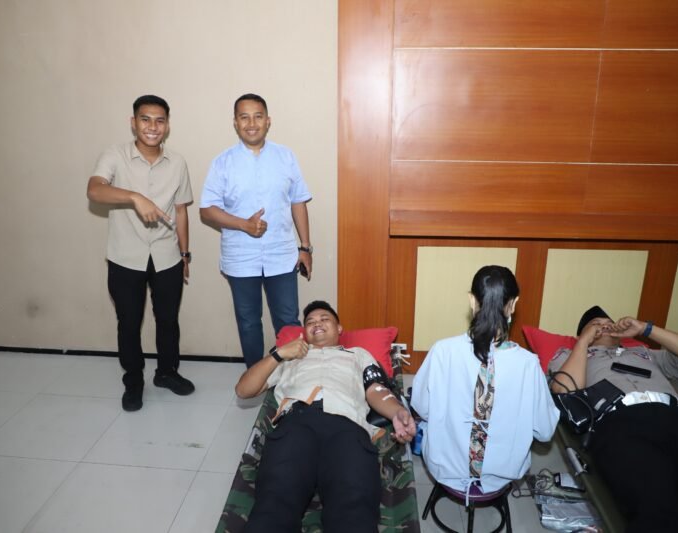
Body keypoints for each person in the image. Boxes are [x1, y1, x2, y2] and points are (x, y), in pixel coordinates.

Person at [235, 300, 416, 533]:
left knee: (354, 509)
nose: (317, 324)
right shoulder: (289, 358)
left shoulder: (358, 355)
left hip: (347, 429)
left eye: (324, 319)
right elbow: (243, 390)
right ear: (304, 332)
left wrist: (397, 411)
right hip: (295, 425)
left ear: (339, 329)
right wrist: (278, 354)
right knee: (274, 504)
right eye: (310, 322)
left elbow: (376, 390)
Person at [549, 305, 678, 532]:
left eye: (608, 323)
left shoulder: (644, 353)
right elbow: (565, 391)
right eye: (596, 325)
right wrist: (582, 343)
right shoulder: (568, 355)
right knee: (656, 507)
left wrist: (645, 328)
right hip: (621, 422)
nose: (604, 326)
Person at [87, 94, 195, 412]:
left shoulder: (178, 162)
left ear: (167, 125)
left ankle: (167, 372)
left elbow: (181, 211)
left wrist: (185, 255)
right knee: (129, 322)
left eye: (159, 120)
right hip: (125, 257)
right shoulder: (115, 155)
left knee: (168, 321)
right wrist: (135, 196)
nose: (152, 126)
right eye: (145, 119)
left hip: (167, 255)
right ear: (133, 122)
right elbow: (94, 189)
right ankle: (133, 381)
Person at [411, 265, 559, 495]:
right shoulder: (528, 364)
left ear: (472, 301)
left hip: (445, 469)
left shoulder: (442, 351)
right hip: (501, 478)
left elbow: (421, 407)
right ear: (513, 304)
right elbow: (545, 431)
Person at [200, 93, 312, 367]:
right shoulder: (222, 162)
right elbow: (207, 210)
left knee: (288, 321)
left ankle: (291, 379)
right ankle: (256, 377)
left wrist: (305, 248)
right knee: (249, 322)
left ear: (268, 121)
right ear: (235, 123)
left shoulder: (285, 157)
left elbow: (298, 201)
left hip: (282, 254)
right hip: (241, 257)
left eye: (258, 116)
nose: (251, 123)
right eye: (244, 117)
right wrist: (244, 225)